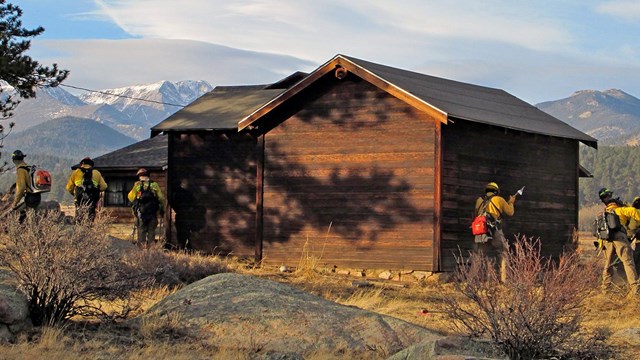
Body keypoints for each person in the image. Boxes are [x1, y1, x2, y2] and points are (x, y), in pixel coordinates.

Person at [598, 188, 638, 295]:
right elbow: (634, 212)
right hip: (620, 238)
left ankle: (605, 290)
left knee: (608, 266)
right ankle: (635, 289)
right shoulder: (620, 210)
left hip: (606, 241)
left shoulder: (603, 216)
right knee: (628, 262)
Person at [473, 182, 516, 282]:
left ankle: (474, 281)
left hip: (481, 231)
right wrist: (511, 202)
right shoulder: (499, 199)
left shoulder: (479, 200)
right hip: (494, 230)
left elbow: (476, 214)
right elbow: (510, 212)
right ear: (496, 191)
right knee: (502, 252)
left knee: (479, 255)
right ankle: (503, 280)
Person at [128, 168, 165, 247]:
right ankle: (151, 250)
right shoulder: (154, 185)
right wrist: (161, 209)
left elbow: (131, 197)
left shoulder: (137, 185)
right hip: (152, 213)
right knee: (151, 231)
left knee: (141, 231)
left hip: (141, 213)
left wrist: (135, 189)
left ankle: (141, 251)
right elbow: (161, 198)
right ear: (148, 176)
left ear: (139, 176)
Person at [65, 157, 107, 221]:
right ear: (91, 164)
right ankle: (89, 228)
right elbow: (104, 187)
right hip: (92, 200)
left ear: (82, 164)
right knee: (90, 217)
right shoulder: (96, 173)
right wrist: (97, 189)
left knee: (79, 217)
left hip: (79, 199)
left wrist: (75, 194)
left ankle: (80, 229)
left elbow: (68, 187)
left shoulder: (76, 172)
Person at [10, 150, 41, 222]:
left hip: (30, 198)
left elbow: (21, 187)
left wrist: (15, 202)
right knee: (32, 219)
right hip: (36, 196)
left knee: (15, 214)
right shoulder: (28, 167)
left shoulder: (21, 170)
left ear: (14, 160)